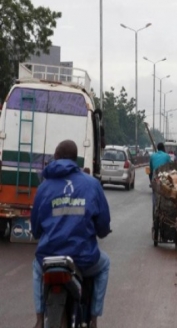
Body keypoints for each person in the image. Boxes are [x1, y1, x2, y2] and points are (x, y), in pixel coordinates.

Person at [31, 140, 111, 328]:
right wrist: (101, 231)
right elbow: (103, 225)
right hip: (84, 258)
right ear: (76, 160)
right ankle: (93, 319)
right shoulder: (92, 184)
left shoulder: (44, 187)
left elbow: (35, 229)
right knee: (105, 264)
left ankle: (39, 318)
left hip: (49, 256)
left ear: (56, 158)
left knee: (36, 268)